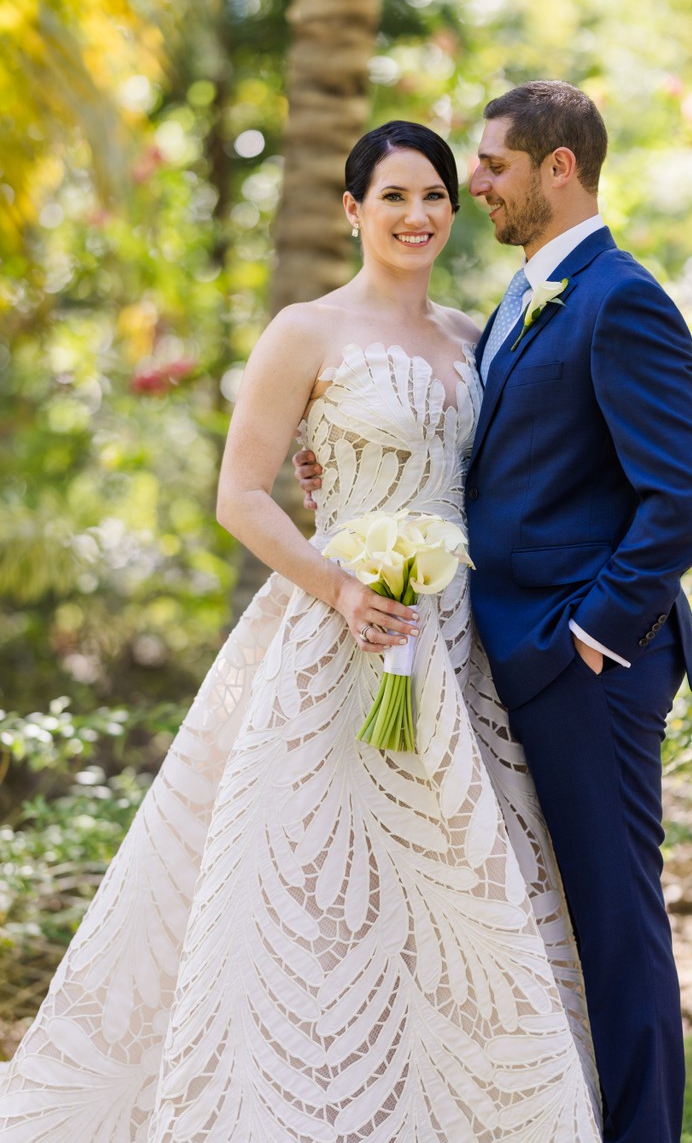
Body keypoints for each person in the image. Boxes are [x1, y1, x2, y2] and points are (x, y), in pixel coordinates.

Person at [0, 121, 602, 1142]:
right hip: (339, 635)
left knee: (453, 888)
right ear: (352, 209)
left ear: (453, 213)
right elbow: (240, 495)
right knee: (315, 879)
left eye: (435, 197)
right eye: (395, 196)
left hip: (458, 646)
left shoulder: (476, 334)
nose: (416, 215)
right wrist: (340, 587)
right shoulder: (305, 331)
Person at [296, 83, 692, 1143]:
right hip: (498, 655)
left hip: (587, 666)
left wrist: (592, 632)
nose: (472, 185)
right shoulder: (523, 296)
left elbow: (686, 490)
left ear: (558, 169)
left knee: (615, 924)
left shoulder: (614, 296)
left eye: (489, 165)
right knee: (546, 919)